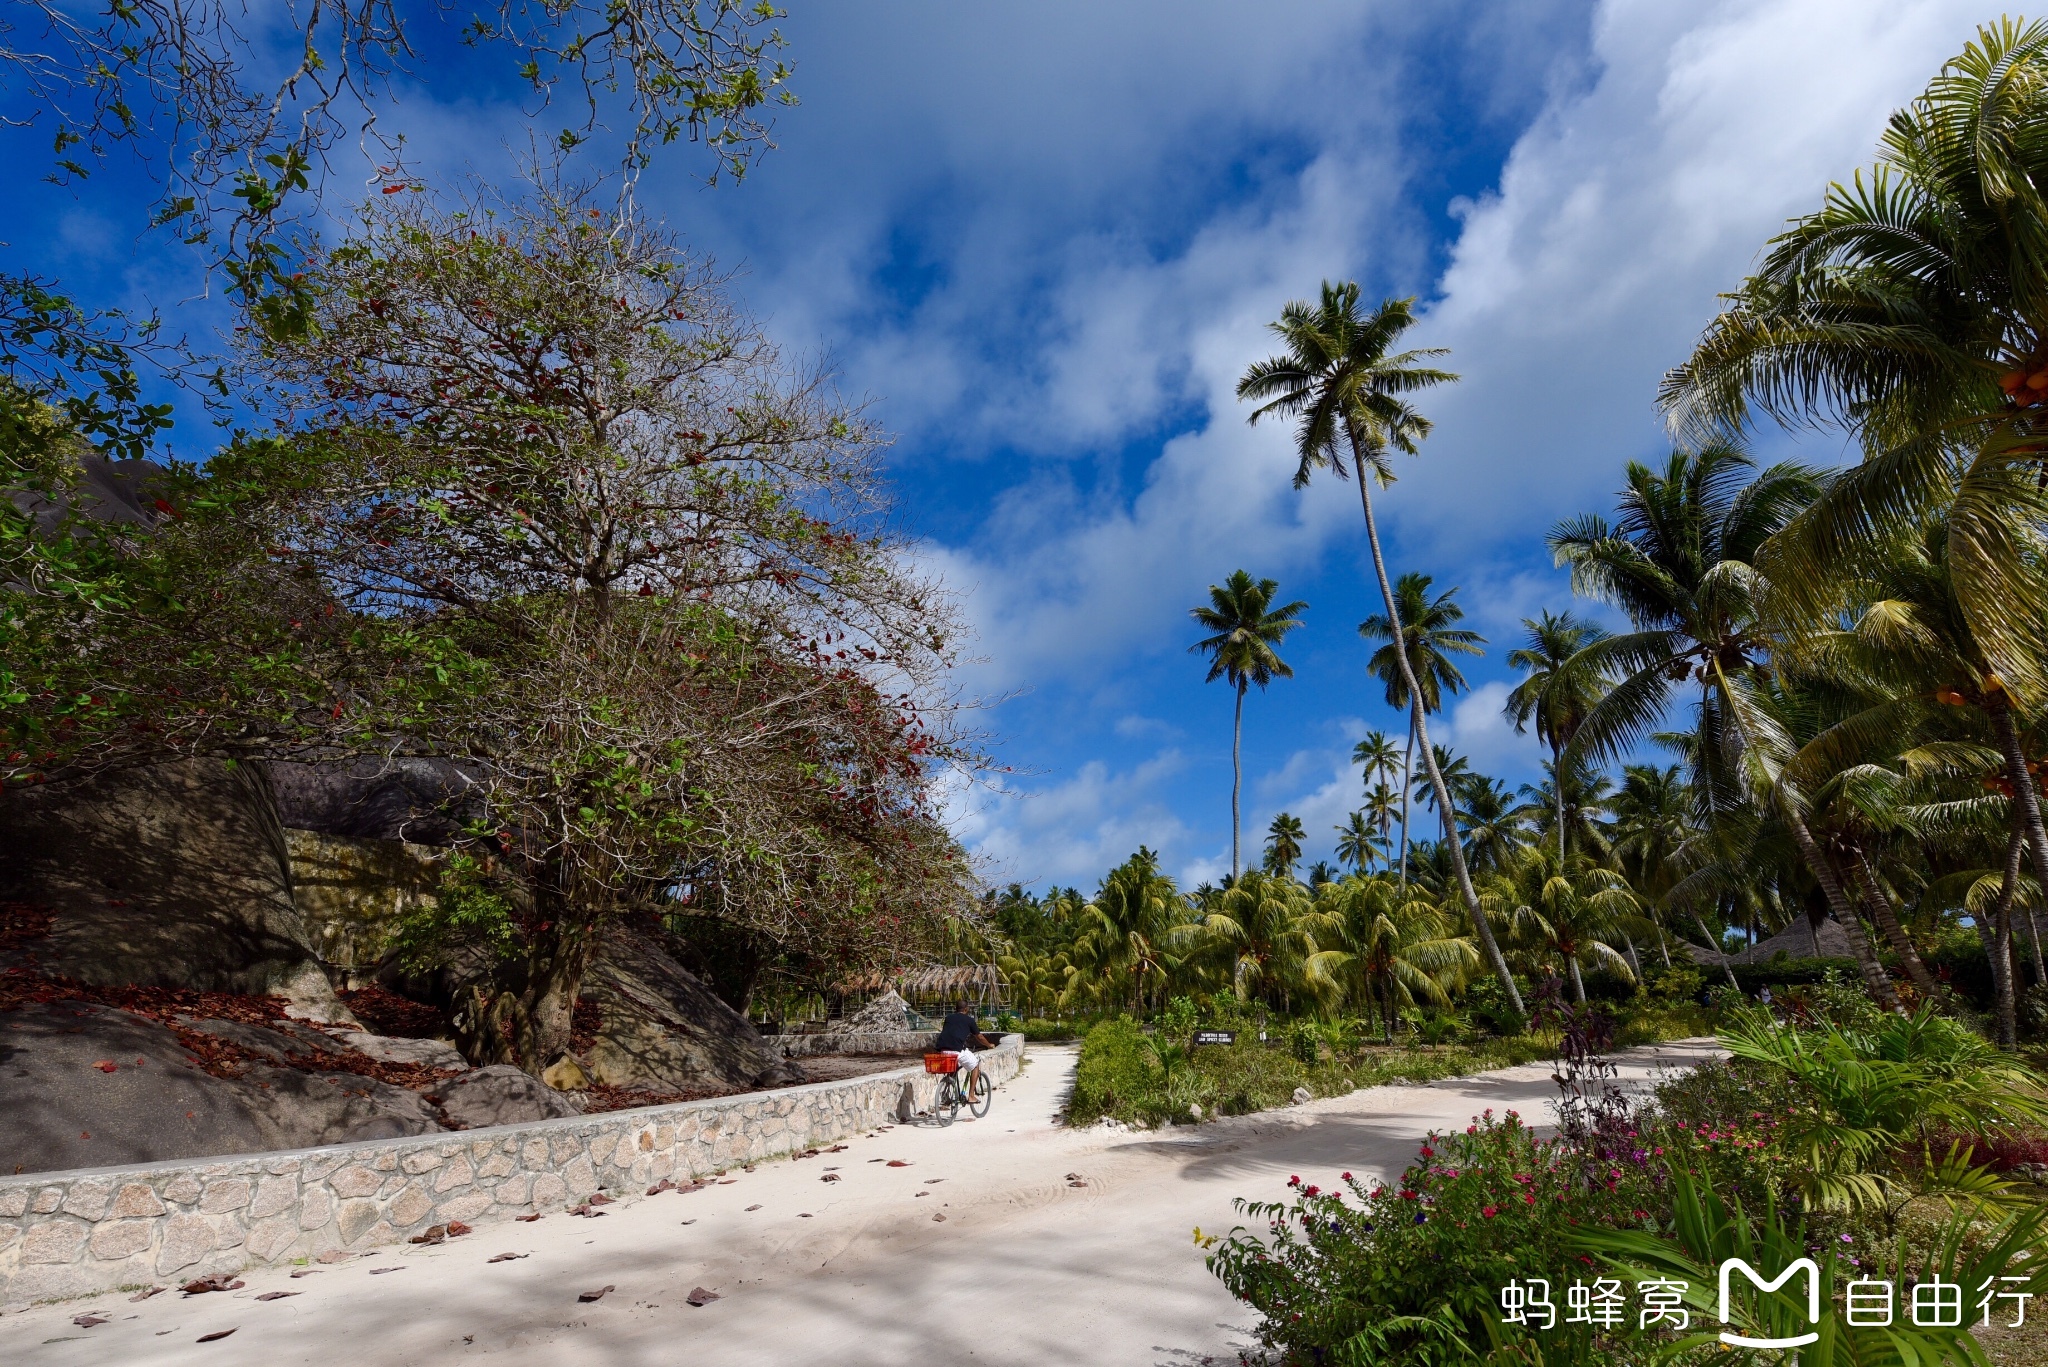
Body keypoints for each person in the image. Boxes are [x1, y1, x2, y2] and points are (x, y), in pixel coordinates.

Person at [934, 999, 993, 1088]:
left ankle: (947, 1092)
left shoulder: (948, 1018)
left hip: (943, 1050)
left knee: (954, 1066)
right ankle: (971, 1096)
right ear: (966, 1009)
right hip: (956, 1051)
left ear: (956, 1009)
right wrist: (989, 1045)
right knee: (975, 1066)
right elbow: (980, 1037)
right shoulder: (969, 1020)